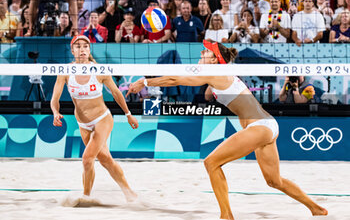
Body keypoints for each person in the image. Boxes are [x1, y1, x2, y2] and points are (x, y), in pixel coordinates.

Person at [126, 40, 328, 220]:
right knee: (274, 181)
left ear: (215, 60)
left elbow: (174, 80)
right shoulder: (219, 74)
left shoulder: (215, 72)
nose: (200, 55)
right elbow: (204, 90)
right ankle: (316, 209)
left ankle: (226, 216)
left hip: (259, 126)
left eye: (205, 53)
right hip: (267, 125)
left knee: (211, 162)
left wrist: (145, 82)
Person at [51, 35, 139, 202]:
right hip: (83, 123)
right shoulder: (65, 71)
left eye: (85, 46)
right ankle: (129, 193)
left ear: (89, 50)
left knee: (87, 159)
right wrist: (55, 112)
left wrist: (128, 115)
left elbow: (116, 93)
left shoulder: (99, 70)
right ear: (72, 51)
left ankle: (86, 197)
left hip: (102, 119)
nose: (82, 49)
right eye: (78, 46)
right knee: (105, 160)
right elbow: (55, 98)